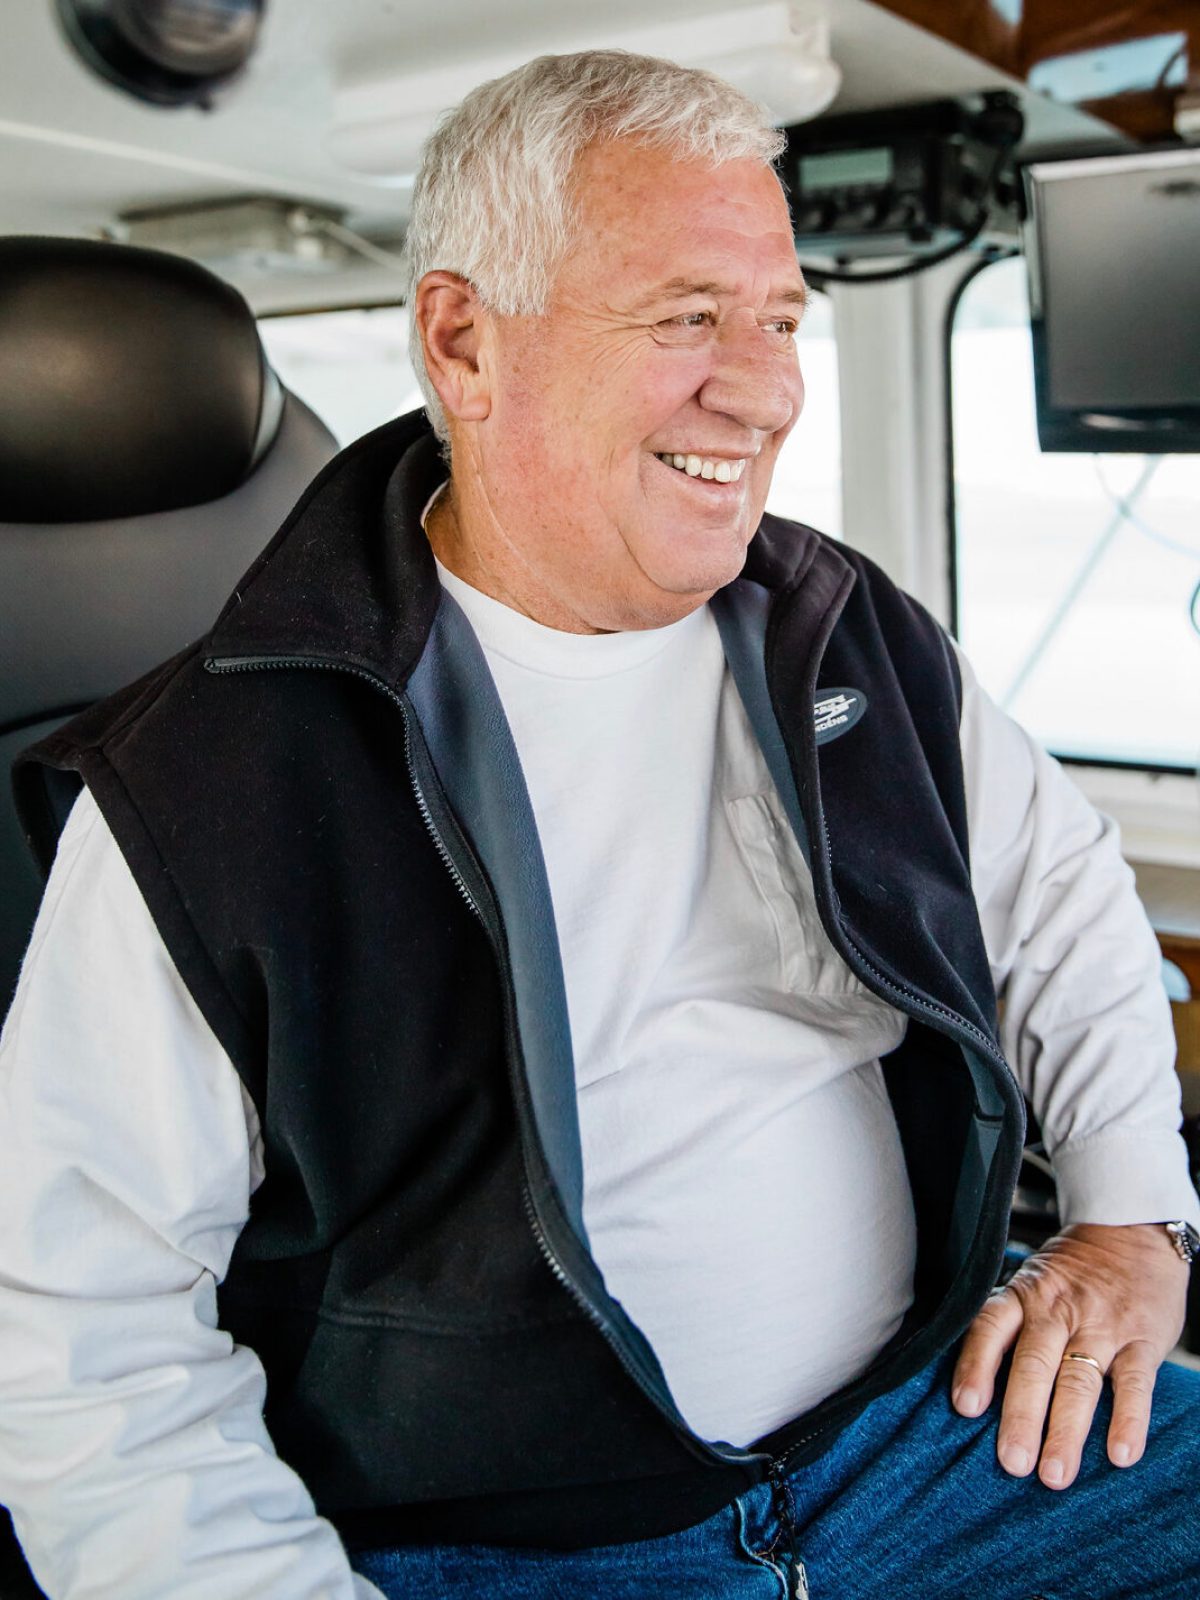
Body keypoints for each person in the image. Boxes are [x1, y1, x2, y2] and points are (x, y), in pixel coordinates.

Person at [1, 49, 1198, 1600]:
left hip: (931, 1443)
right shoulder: (210, 782)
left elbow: (1060, 893)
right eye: (688, 317)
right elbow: (88, 1335)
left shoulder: (842, 629)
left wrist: (1129, 1219)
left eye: (777, 318)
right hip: (516, 1547)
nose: (764, 386)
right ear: (463, 342)